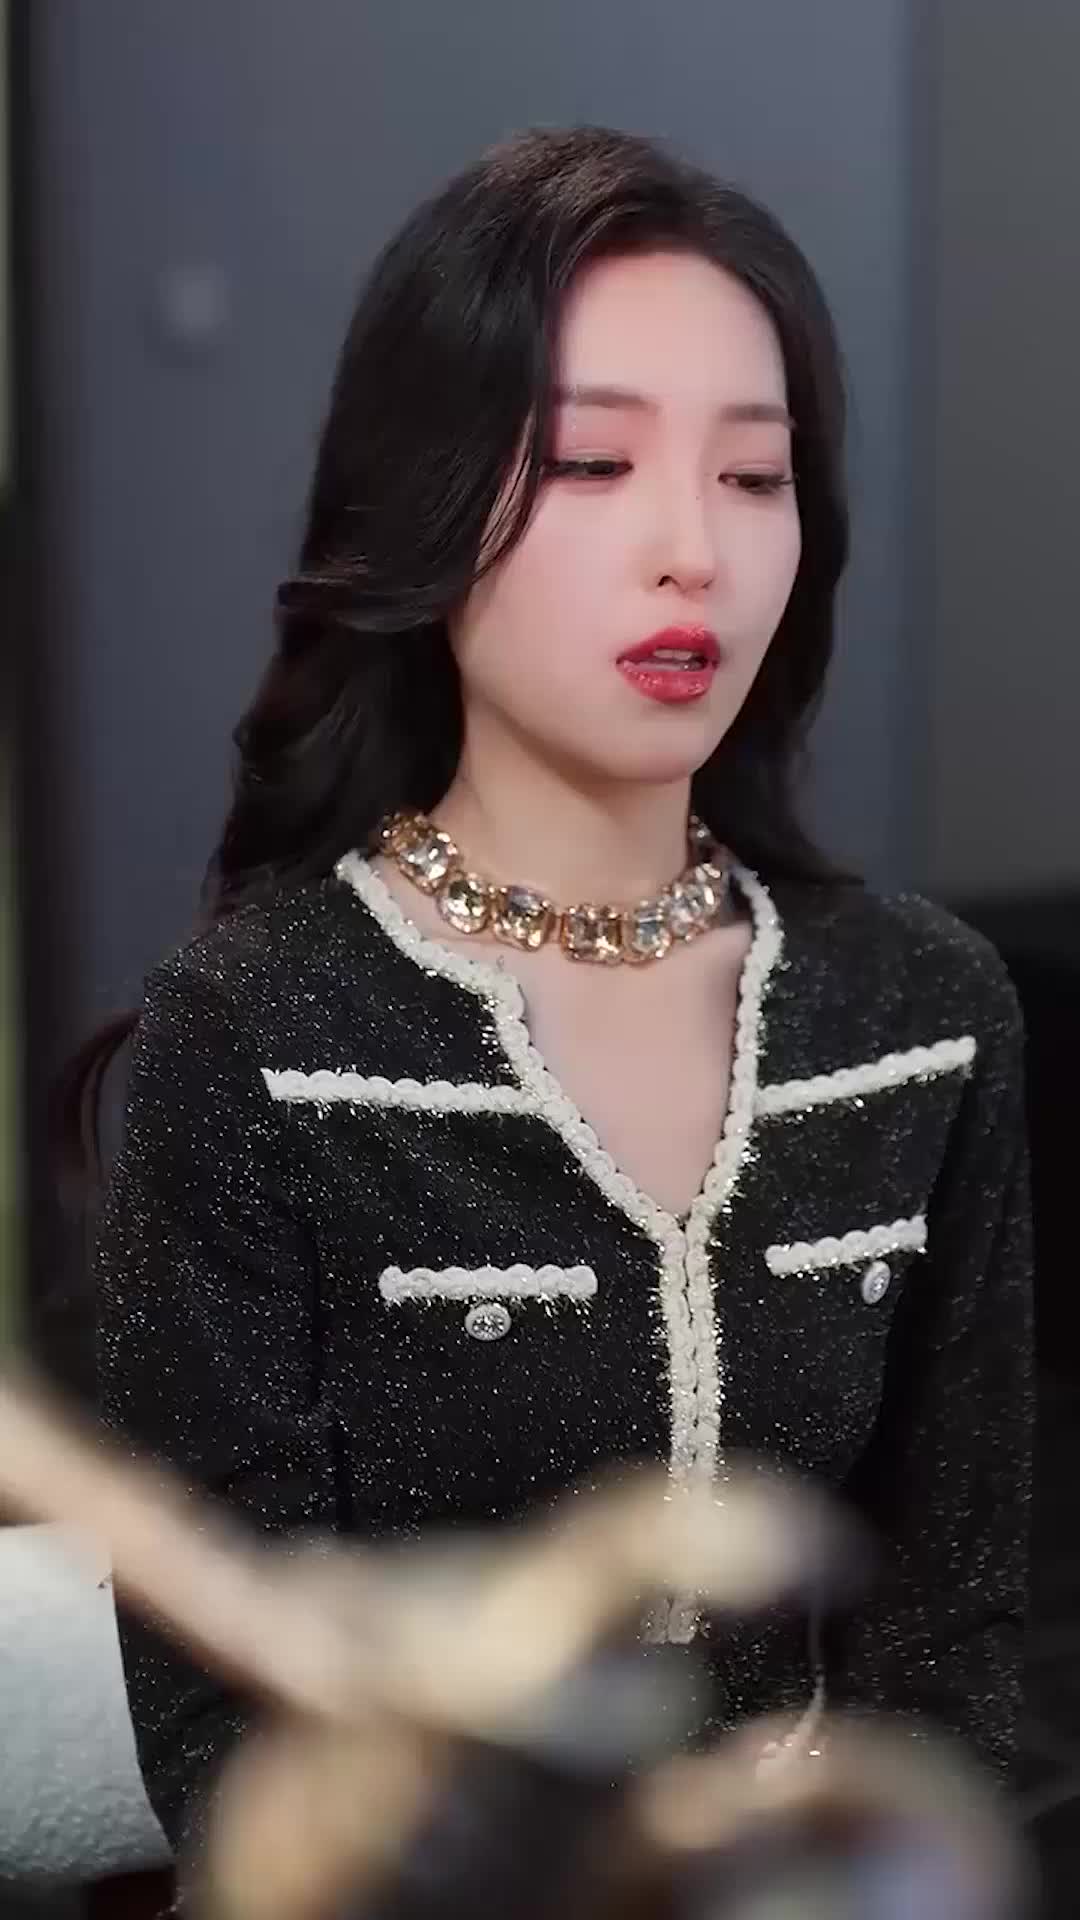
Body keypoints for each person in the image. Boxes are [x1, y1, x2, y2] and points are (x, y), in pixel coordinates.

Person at [66, 125, 1032, 1859]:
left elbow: (963, 1650)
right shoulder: (264, 1035)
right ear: (425, 505)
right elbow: (233, 1744)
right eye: (594, 462)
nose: (694, 551)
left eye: (756, 475)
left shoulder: (921, 1015)